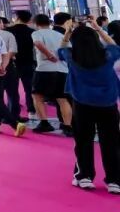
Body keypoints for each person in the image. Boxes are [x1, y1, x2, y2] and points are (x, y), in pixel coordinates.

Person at [58, 20, 120, 192]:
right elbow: (114, 45)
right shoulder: (108, 56)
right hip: (108, 104)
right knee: (111, 142)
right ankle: (115, 180)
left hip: (82, 104)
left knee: (83, 140)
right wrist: (98, 28)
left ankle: (84, 176)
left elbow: (61, 48)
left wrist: (68, 32)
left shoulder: (72, 57)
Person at [30, 14, 72, 135]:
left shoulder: (37, 33)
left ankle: (44, 123)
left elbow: (38, 43)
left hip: (44, 69)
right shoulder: (60, 35)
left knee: (37, 96)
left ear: (35, 23)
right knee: (62, 99)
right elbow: (68, 50)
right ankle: (68, 126)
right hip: (62, 70)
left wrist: (49, 55)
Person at [7, 10, 37, 119]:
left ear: (17, 17)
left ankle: (13, 111)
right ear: (29, 20)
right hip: (28, 61)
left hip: (12, 62)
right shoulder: (32, 32)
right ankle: (31, 109)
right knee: (29, 87)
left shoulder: (8, 31)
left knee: (12, 89)